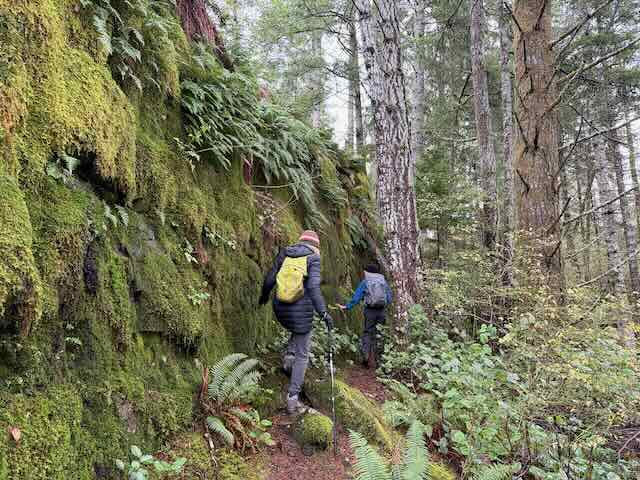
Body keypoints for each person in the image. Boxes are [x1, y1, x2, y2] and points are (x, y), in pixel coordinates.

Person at [259, 230, 334, 415]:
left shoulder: (286, 252)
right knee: (303, 353)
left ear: (300, 241)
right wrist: (324, 313)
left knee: (297, 329)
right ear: (315, 246)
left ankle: (287, 363)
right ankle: (293, 400)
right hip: (299, 312)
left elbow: (270, 277)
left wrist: (264, 296)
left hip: (280, 308)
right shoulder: (313, 258)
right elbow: (313, 287)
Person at [339, 263, 392, 369]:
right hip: (381, 311)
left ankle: (366, 356)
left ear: (367, 271)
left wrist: (347, 306)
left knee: (368, 332)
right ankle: (380, 361)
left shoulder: (365, 281)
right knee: (379, 334)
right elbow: (389, 298)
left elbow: (357, 297)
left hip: (370, 311)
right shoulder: (383, 281)